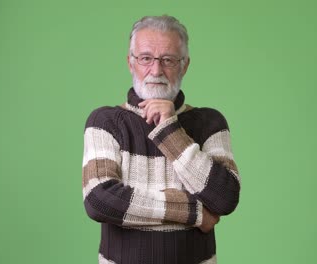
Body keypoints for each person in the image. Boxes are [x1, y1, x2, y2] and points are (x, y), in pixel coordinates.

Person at [82, 15, 241, 264]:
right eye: (146, 58)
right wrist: (196, 212)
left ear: (185, 65)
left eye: (168, 60)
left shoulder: (210, 123)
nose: (156, 70)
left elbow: (225, 197)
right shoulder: (106, 122)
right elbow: (99, 200)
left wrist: (170, 130)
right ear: (130, 63)